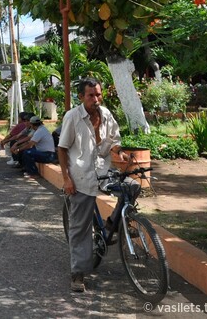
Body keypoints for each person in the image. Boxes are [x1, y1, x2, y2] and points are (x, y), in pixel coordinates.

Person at [58, 77, 134, 294]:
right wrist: (66, 179)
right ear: (81, 97)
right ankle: (78, 273)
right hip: (81, 177)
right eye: (91, 95)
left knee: (132, 187)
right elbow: (62, 149)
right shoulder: (73, 117)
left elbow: (115, 140)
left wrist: (120, 152)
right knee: (80, 229)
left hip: (104, 173)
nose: (95, 99)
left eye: (98, 94)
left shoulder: (106, 114)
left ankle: (112, 223)